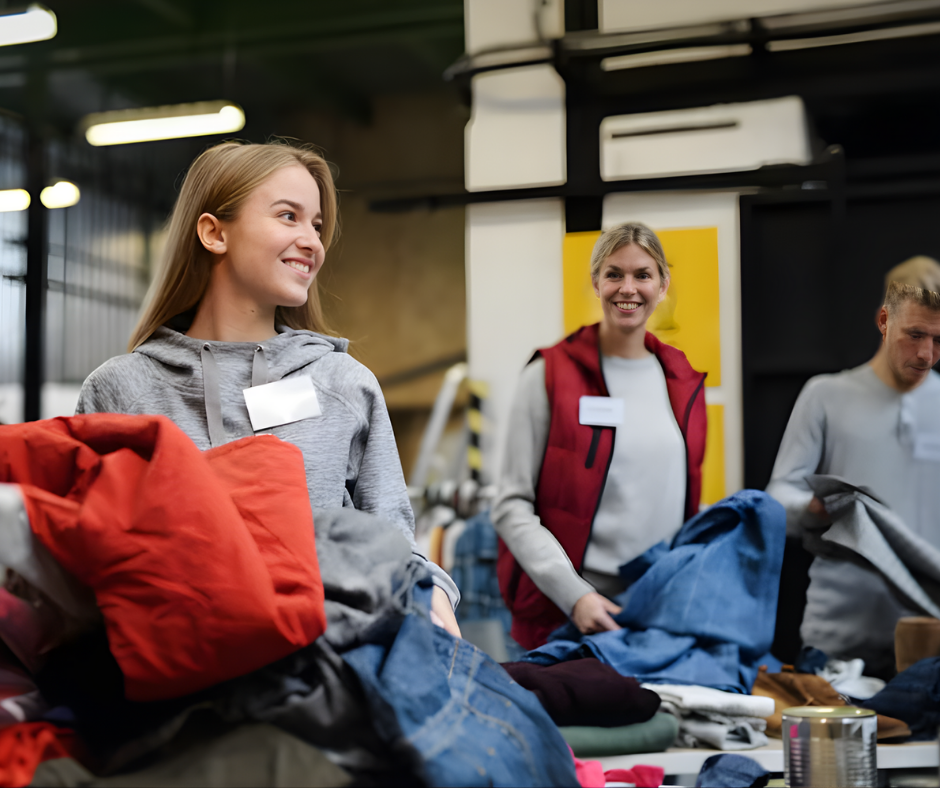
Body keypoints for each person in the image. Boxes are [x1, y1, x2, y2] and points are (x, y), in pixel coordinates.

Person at [75, 140, 460, 636]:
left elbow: (391, 539)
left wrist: (432, 595)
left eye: (317, 225)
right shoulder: (121, 392)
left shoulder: (342, 383)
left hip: (325, 667)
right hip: (176, 673)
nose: (312, 241)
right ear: (214, 233)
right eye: (288, 216)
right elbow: (87, 551)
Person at [493, 222, 707, 650]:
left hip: (653, 612)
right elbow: (510, 506)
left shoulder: (682, 382)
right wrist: (576, 596)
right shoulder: (548, 376)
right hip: (565, 614)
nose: (628, 288)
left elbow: (684, 502)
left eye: (643, 275)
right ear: (596, 282)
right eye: (614, 274)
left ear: (663, 285)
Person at [767, 258, 940, 676]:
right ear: (884, 320)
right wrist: (813, 508)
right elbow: (777, 496)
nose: (926, 354)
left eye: (938, 339)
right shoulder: (825, 396)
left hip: (929, 642)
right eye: (914, 335)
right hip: (837, 640)